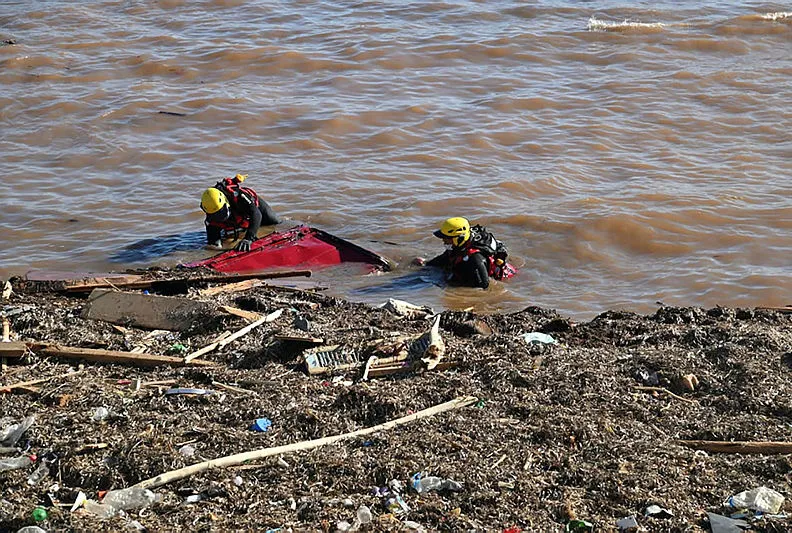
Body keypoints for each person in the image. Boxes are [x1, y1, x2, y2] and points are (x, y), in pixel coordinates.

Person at [422, 217, 515, 289]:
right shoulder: (459, 246)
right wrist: (425, 264)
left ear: (460, 238)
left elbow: (483, 286)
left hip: (487, 274)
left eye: (447, 239)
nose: (444, 241)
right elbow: (446, 258)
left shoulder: (475, 259)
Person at [200, 174, 281, 252]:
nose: (219, 217)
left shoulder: (238, 196)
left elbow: (256, 214)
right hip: (234, 217)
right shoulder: (210, 215)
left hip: (254, 207)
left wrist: (248, 238)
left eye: (221, 213)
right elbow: (212, 245)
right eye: (215, 215)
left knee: (274, 222)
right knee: (213, 244)